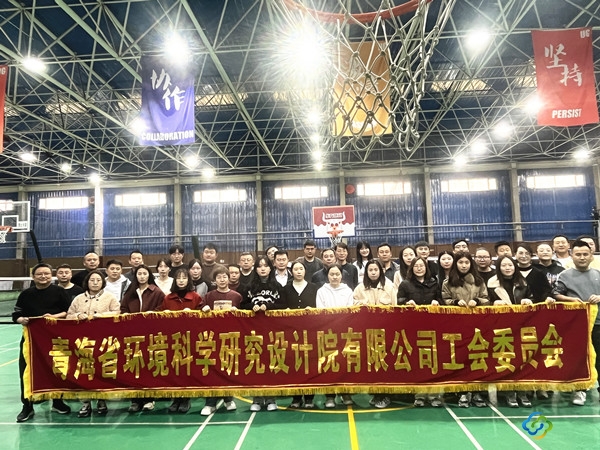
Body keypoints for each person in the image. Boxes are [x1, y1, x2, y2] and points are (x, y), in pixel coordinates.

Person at [13, 263, 72, 422]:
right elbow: (16, 314)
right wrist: (21, 319)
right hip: (31, 340)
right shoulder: (26, 294)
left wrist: (54, 317)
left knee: (57, 369)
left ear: (51, 275)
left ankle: (58, 402)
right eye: (39, 274)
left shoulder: (59, 291)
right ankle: (27, 406)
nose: (43, 276)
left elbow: (68, 311)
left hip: (55, 339)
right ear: (33, 276)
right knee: (27, 371)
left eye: (46, 273)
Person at [552, 239, 600, 406]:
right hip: (577, 325)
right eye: (578, 254)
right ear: (572, 256)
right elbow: (556, 294)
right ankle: (580, 390)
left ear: (591, 256)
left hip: (598, 323)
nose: (582, 257)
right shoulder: (564, 275)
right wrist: (570, 299)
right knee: (579, 358)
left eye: (585, 254)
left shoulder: (598, 274)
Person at [66, 270, 120, 418]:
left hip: (102, 340)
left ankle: (102, 400)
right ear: (87, 282)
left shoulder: (110, 297)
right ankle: (85, 403)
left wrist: (101, 316)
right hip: (82, 342)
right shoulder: (78, 299)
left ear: (103, 282)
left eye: (98, 280)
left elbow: (117, 312)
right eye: (92, 280)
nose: (95, 283)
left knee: (101, 370)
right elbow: (69, 315)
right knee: (84, 371)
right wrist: (78, 315)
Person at [442, 251, 489, 408]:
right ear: (456, 264)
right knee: (459, 359)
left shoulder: (479, 281)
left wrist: (477, 301)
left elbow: (486, 299)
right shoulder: (448, 282)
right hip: (456, 326)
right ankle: (461, 392)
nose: (463, 265)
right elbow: (445, 299)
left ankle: (477, 392)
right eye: (460, 262)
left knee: (477, 359)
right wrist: (455, 303)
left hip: (477, 326)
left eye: (466, 262)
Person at [486, 256, 533, 408]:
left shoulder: (523, 282)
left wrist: (528, 300)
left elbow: (531, 297)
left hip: (522, 325)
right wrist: (493, 303)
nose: (507, 268)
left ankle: (522, 391)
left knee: (522, 358)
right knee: (505, 358)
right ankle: (507, 392)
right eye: (504, 265)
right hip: (501, 326)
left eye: (510, 265)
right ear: (498, 267)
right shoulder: (491, 283)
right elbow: (485, 301)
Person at [240, 256, 286, 411]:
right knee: (255, 364)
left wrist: (269, 306)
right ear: (256, 269)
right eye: (259, 266)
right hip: (254, 332)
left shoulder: (277, 286)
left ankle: (271, 398)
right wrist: (251, 307)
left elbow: (284, 305)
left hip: (272, 332)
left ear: (270, 268)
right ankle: (257, 399)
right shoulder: (248, 287)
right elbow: (242, 305)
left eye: (265, 266)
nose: (263, 269)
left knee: (271, 363)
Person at [397, 257, 443, 408]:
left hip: (433, 327)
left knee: (434, 362)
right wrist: (406, 303)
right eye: (416, 266)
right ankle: (419, 395)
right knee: (418, 362)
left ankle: (434, 395)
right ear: (411, 268)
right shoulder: (405, 284)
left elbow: (441, 300)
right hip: (413, 328)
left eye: (421, 266)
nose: (419, 268)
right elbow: (399, 301)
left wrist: (437, 302)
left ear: (426, 267)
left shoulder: (434, 283)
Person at [120, 264, 165, 413]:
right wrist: (127, 316)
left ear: (149, 275)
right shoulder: (130, 292)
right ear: (136, 276)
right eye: (139, 274)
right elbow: (123, 308)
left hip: (150, 335)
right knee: (134, 366)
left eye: (145, 273)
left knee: (149, 366)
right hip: (132, 335)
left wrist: (150, 316)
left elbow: (161, 309)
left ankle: (149, 399)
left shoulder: (156, 292)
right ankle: (135, 400)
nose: (142, 276)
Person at [201, 265, 243, 415]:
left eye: (225, 276)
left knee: (228, 368)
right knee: (212, 370)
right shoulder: (208, 296)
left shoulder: (236, 296)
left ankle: (228, 399)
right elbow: (200, 313)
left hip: (230, 338)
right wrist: (203, 309)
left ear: (229, 278)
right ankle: (210, 403)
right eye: (219, 277)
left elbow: (245, 318)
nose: (222, 279)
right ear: (215, 280)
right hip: (212, 339)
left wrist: (238, 312)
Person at [160, 268, 203, 414]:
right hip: (172, 340)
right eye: (178, 278)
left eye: (184, 278)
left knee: (187, 369)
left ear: (188, 280)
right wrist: (164, 314)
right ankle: (176, 398)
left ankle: (186, 398)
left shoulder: (196, 297)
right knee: (174, 369)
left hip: (190, 340)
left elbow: (203, 317)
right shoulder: (168, 298)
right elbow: (159, 316)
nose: (181, 280)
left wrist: (194, 313)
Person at [316, 264, 354, 408]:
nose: (334, 277)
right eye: (332, 274)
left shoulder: (347, 290)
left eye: (337, 274)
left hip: (344, 332)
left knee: (345, 363)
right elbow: (320, 312)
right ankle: (330, 396)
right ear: (327, 276)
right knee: (329, 363)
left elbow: (350, 310)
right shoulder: (321, 291)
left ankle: (345, 393)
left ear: (341, 275)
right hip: (328, 333)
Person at [283, 261, 318, 409]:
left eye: (301, 269)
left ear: (305, 271)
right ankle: (296, 398)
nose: (298, 271)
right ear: (291, 272)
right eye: (295, 269)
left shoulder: (314, 287)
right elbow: (282, 307)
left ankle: (309, 398)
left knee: (310, 364)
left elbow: (319, 307)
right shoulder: (286, 288)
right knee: (294, 364)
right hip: (292, 332)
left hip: (310, 331)